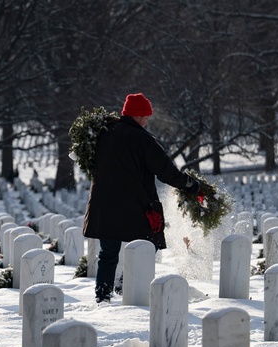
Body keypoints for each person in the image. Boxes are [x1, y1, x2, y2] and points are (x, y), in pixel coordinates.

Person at [83, 92, 202, 303]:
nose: (147, 120)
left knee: (108, 253)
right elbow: (166, 172)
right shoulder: (142, 139)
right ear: (137, 116)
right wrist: (190, 185)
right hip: (134, 206)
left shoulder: (103, 133)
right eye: (145, 116)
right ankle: (125, 283)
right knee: (148, 245)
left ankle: (103, 295)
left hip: (104, 204)